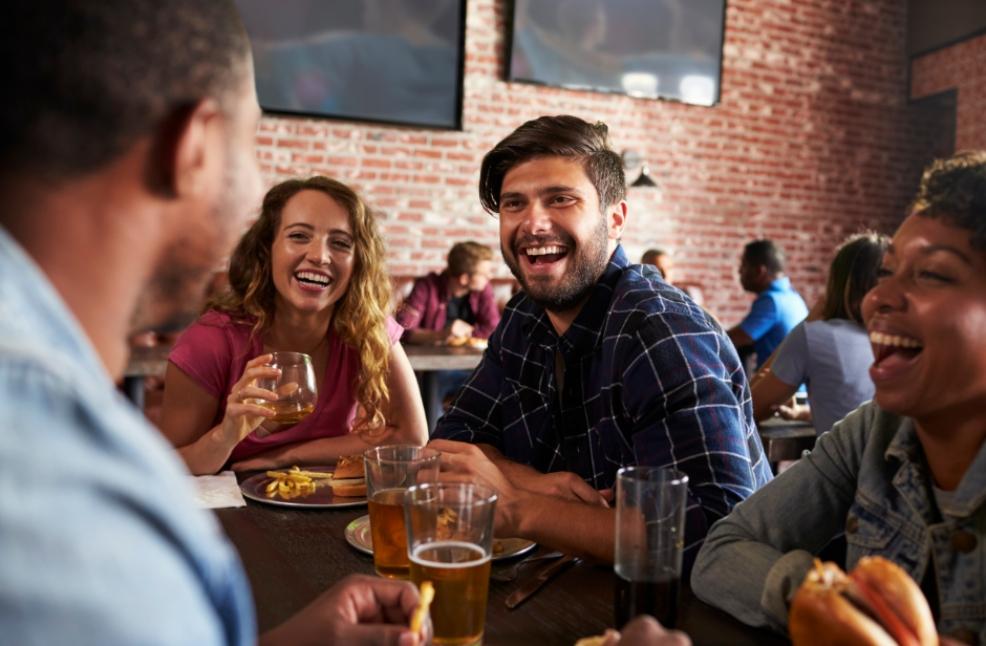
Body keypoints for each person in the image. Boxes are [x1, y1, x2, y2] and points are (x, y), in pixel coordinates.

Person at [0, 1, 425, 643]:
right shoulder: (53, 463)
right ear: (193, 146)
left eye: (339, 243)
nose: (318, 256)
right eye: (250, 142)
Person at [431, 115, 772, 572]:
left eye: (561, 199)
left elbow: (708, 533)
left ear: (615, 219)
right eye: (515, 204)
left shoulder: (660, 331)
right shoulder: (522, 318)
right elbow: (447, 448)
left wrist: (517, 505)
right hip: (570, 591)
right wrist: (538, 484)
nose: (532, 223)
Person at [691, 151, 986, 644]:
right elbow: (720, 552)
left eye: (931, 274)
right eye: (886, 273)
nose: (879, 299)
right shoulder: (872, 432)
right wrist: (825, 602)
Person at [160, 176, 427, 475]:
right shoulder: (211, 340)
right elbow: (166, 468)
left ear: (358, 264)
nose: (318, 256)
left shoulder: (367, 329)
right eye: (299, 236)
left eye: (340, 243)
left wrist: (285, 457)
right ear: (266, 249)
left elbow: (411, 436)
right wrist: (225, 437)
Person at [751, 232, 889, 436]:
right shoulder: (901, 341)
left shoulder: (814, 335)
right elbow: (860, 409)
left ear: (837, 281)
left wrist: (806, 323)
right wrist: (804, 414)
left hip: (846, 468)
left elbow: (750, 409)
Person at [396, 240, 501, 345]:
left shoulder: (483, 288)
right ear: (464, 279)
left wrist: (467, 334)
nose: (490, 277)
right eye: (484, 274)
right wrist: (442, 335)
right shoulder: (426, 287)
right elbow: (403, 331)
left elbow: (494, 328)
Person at [726, 239, 809, 370]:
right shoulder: (793, 297)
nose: (740, 271)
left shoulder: (771, 301)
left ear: (760, 271)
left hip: (782, 389)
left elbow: (731, 340)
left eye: (744, 266)